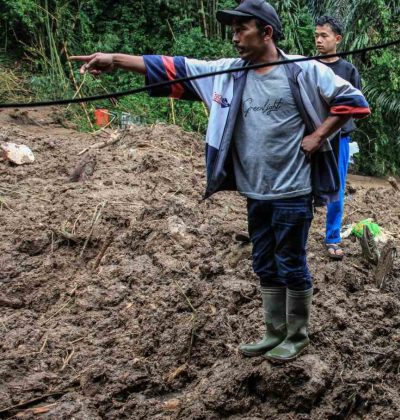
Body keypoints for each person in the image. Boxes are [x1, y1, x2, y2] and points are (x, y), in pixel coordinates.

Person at [70, 0, 370, 362]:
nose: (234, 38)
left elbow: (354, 101)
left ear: (267, 32)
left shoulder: (302, 71)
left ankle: (297, 335)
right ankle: (273, 332)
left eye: (241, 29)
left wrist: (319, 136)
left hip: (292, 190)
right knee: (263, 262)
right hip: (255, 190)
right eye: (233, 31)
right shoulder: (227, 73)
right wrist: (114, 60)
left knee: (291, 262)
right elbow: (172, 68)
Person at [314, 15, 362, 260]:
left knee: (337, 188)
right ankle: (299, 233)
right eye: (316, 36)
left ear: (337, 39)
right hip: (312, 136)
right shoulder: (309, 66)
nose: (319, 40)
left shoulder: (347, 70)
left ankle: (332, 237)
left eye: (324, 36)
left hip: (339, 138)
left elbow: (357, 104)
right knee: (304, 185)